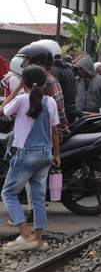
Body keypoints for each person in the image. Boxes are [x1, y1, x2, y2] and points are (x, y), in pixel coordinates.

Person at [0, 66, 60, 251]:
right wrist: (57, 155)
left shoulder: (20, 99)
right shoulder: (50, 102)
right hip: (45, 154)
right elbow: (54, 131)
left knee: (8, 193)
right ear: (45, 84)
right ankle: (39, 241)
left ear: (24, 83)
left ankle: (26, 235)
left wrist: (17, 88)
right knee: (38, 197)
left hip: (26, 154)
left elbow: (3, 110)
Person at [17, 44, 68, 142]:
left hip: (50, 133)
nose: (23, 64)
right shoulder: (45, 79)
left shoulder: (43, 83)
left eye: (25, 60)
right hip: (50, 129)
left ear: (35, 61)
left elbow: (17, 109)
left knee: (9, 141)